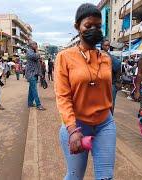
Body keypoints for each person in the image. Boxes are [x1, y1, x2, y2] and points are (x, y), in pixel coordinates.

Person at [55, 3, 116, 179]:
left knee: (106, 177)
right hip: (77, 125)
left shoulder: (105, 58)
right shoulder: (64, 57)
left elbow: (107, 91)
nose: (94, 30)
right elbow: (63, 97)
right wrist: (73, 130)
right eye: (88, 26)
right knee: (75, 176)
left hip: (105, 124)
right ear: (77, 27)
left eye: (98, 26)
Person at [101, 39, 121, 113]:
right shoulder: (99, 55)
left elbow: (118, 65)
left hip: (111, 84)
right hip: (101, 85)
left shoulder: (110, 57)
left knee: (110, 105)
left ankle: (109, 121)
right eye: (105, 45)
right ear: (102, 46)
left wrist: (118, 81)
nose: (107, 47)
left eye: (108, 45)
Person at [25, 41, 46, 110]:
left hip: (35, 74)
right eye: (35, 44)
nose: (36, 45)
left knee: (31, 89)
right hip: (31, 74)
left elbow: (38, 65)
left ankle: (30, 103)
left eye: (36, 44)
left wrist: (41, 74)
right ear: (30, 45)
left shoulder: (34, 52)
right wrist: (37, 51)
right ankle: (38, 105)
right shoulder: (29, 52)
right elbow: (35, 56)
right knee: (34, 89)